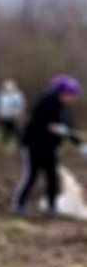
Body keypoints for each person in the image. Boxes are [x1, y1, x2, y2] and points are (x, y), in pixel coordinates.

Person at [11, 74, 83, 216]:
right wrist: (55, 128)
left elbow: (67, 129)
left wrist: (79, 144)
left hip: (50, 147)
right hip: (34, 146)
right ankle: (18, 205)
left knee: (52, 177)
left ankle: (52, 206)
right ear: (63, 92)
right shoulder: (46, 102)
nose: (74, 98)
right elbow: (42, 122)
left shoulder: (64, 108)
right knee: (31, 176)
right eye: (72, 95)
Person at [0, 79, 26, 143]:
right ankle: (4, 144)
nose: (8, 88)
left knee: (17, 132)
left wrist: (20, 114)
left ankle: (19, 144)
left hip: (14, 117)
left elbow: (21, 105)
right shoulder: (2, 95)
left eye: (10, 86)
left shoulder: (18, 95)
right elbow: (0, 105)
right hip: (4, 117)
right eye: (6, 86)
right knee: (5, 132)